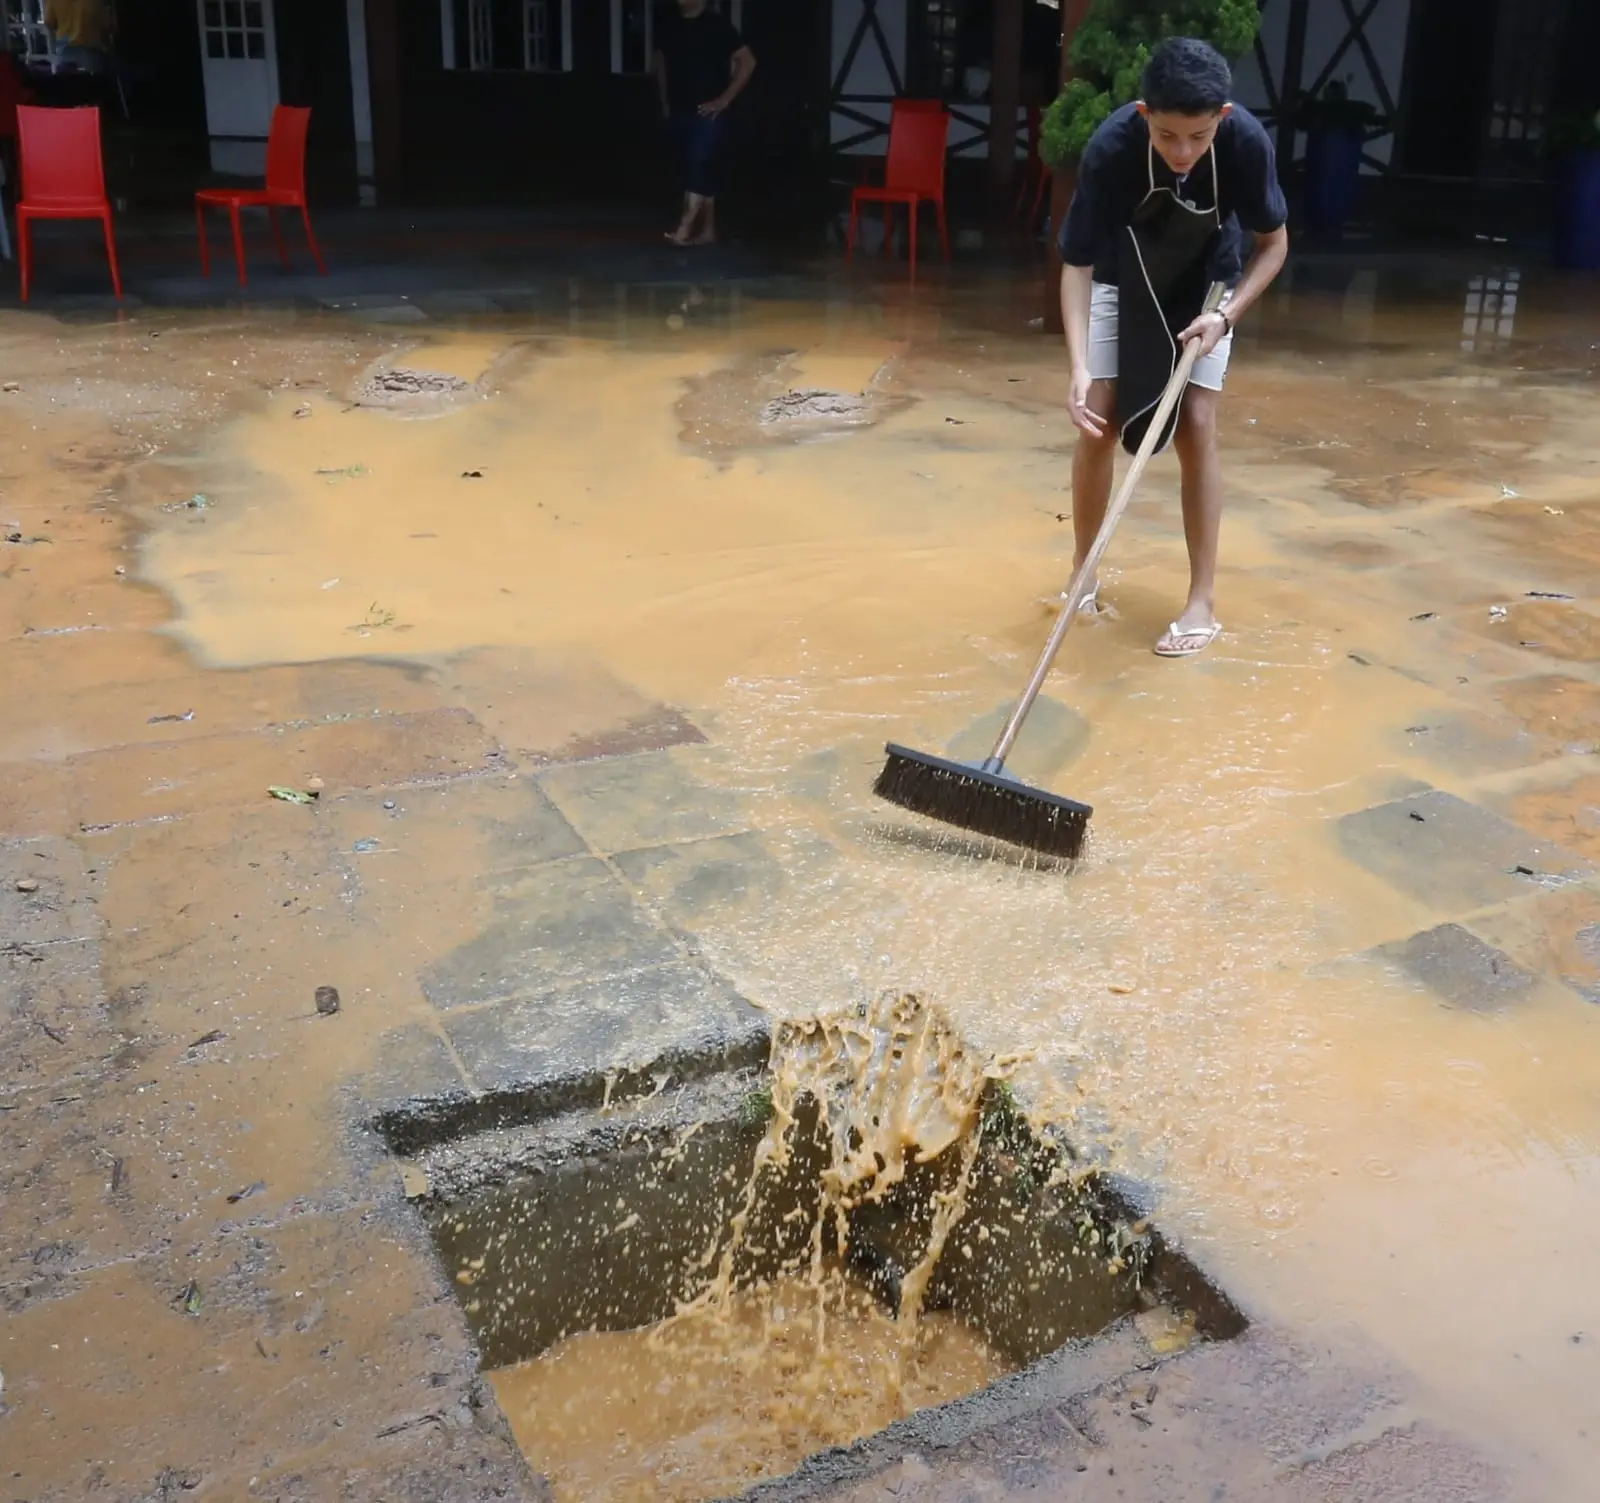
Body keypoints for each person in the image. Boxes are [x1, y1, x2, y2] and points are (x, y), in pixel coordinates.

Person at [1057, 37, 1288, 657]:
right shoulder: (1112, 148)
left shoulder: (1244, 142)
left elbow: (1274, 245)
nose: (1183, 152)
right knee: (1097, 423)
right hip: (1122, 275)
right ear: (1143, 116)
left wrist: (1227, 317)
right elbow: (1076, 265)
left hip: (1209, 284)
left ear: (1223, 118)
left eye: (1198, 137)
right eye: (1166, 136)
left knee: (1197, 425)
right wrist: (1078, 367)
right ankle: (1083, 572)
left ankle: (1201, 602)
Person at [653, 0, 756, 247]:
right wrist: (665, 101)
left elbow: (748, 62)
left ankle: (684, 228)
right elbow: (660, 62)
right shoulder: (669, 25)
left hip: (709, 113)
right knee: (701, 168)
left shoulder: (717, 25)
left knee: (699, 161)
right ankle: (708, 231)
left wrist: (725, 100)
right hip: (680, 110)